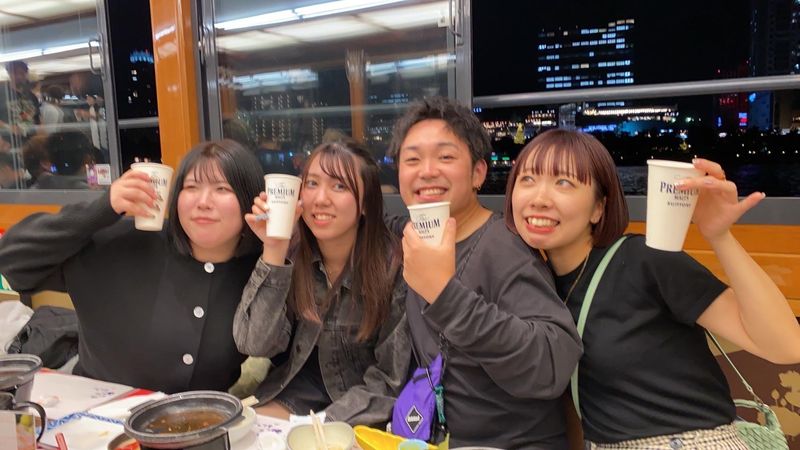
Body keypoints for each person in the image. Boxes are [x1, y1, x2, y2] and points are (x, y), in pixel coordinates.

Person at [505, 129, 800, 449]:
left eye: (564, 182)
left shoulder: (644, 260)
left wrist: (719, 236)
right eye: (527, 179)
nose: (539, 198)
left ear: (598, 208)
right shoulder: (536, 284)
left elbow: (785, 346)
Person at [388, 97, 582, 449]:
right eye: (412, 160)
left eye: (445, 157)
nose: (426, 171)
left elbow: (552, 361)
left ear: (478, 173)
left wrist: (446, 296)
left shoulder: (504, 248)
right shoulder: (416, 239)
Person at [0, 140, 264, 393]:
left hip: (206, 416)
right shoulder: (121, 243)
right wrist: (104, 207)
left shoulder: (263, 270)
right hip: (101, 411)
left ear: (249, 199)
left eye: (222, 189)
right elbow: (13, 262)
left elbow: (283, 358)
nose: (203, 202)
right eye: (191, 187)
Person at [233, 140, 409, 426]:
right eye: (312, 184)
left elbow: (391, 379)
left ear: (366, 203)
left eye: (339, 186)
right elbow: (255, 343)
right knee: (247, 434)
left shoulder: (394, 266)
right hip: (296, 394)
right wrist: (274, 248)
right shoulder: (292, 252)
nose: (320, 198)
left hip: (362, 407)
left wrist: (325, 424)